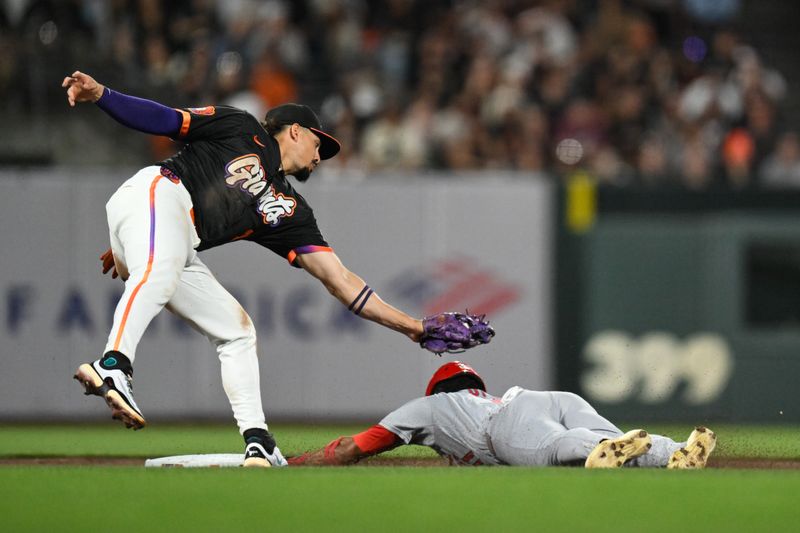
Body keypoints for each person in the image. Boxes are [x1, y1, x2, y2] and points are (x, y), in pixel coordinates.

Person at [62, 71, 426, 468]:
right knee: (160, 269)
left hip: (174, 236)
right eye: (319, 144)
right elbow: (165, 119)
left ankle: (257, 441)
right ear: (295, 131)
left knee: (237, 332)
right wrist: (103, 95)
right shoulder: (242, 126)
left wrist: (414, 327)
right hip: (158, 193)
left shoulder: (289, 209)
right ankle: (113, 365)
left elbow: (340, 280)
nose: (319, 157)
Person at [289, 361, 717, 469]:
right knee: (614, 436)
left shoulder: (428, 408)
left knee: (556, 447)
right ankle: (677, 451)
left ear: (436, 389)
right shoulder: (482, 397)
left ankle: (604, 447)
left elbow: (352, 448)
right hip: (542, 399)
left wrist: (294, 464)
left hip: (506, 428)